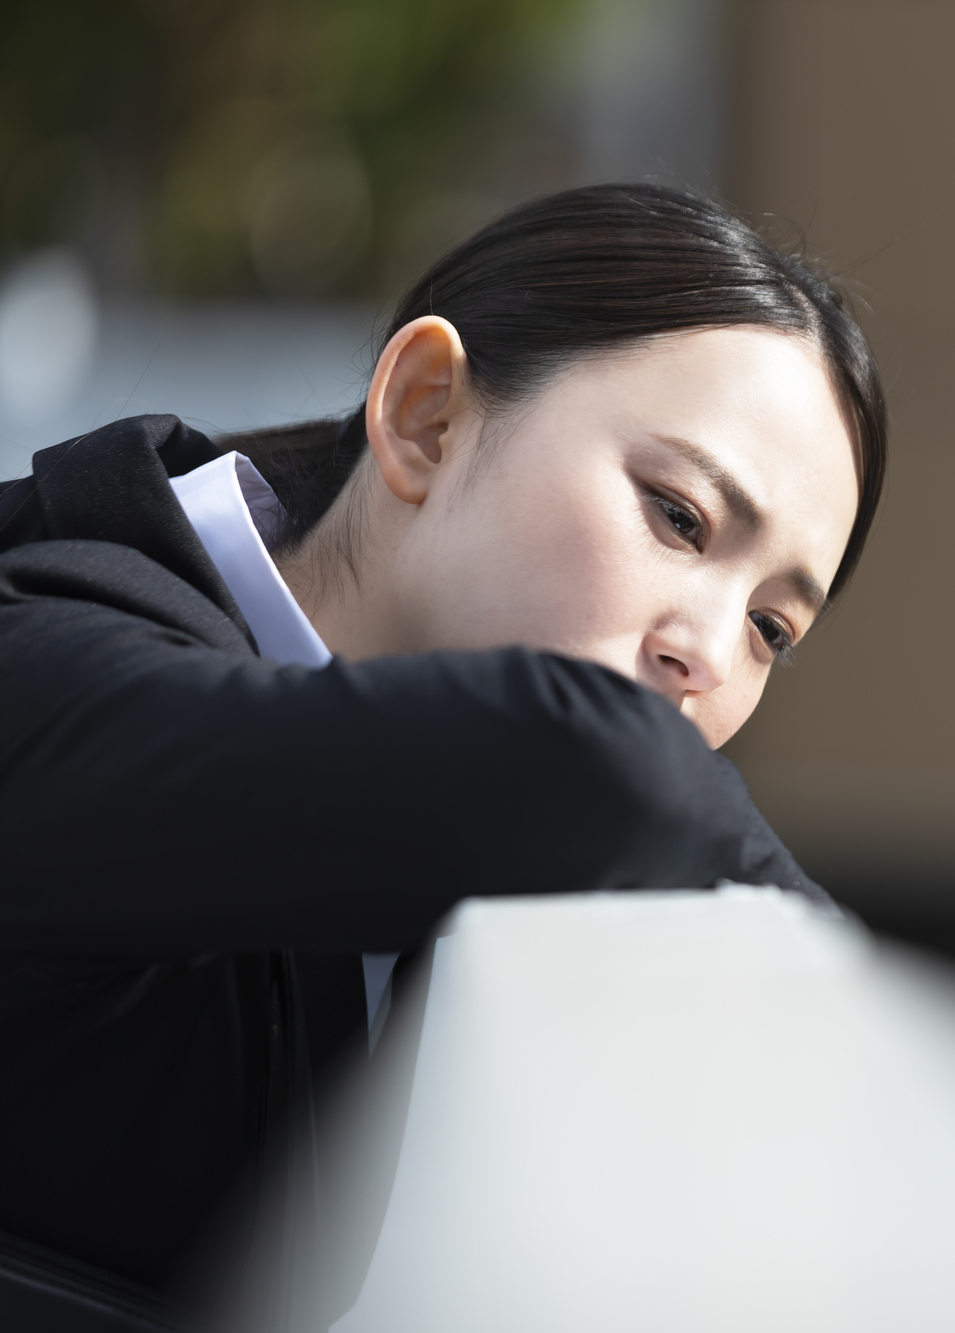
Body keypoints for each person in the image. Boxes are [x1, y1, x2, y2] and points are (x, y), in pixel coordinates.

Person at [0, 182, 887, 1321]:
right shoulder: (43, 656)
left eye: (772, 628)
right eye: (676, 516)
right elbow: (589, 767)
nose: (707, 653)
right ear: (426, 414)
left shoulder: (461, 859)